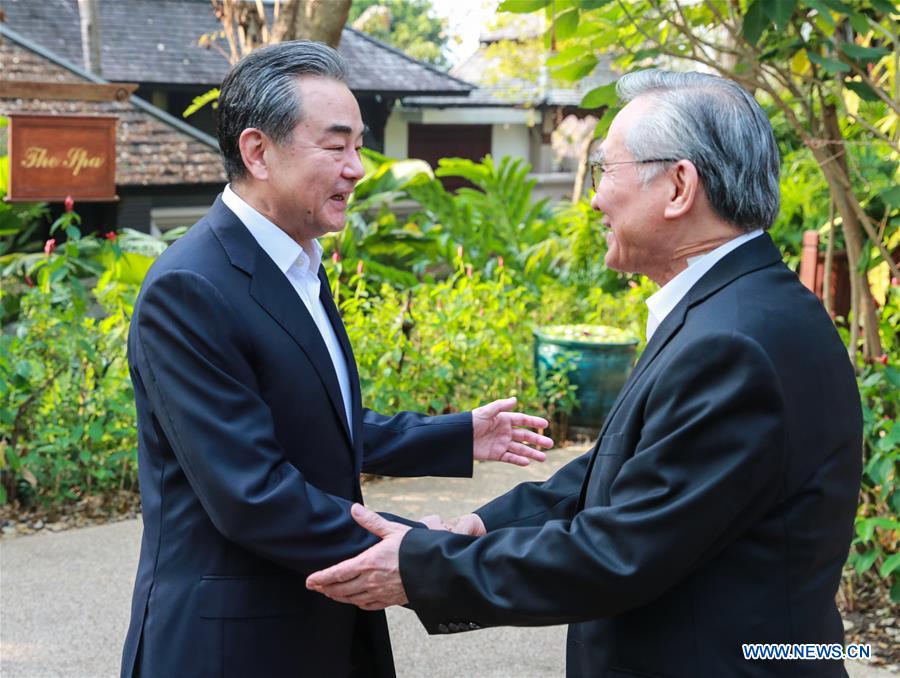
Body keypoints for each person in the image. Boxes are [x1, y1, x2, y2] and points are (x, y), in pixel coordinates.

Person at [306, 70, 863, 677]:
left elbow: (621, 551)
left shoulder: (733, 342)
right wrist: (478, 526)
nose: (593, 199)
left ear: (679, 187)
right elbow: (625, 472)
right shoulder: (743, 308)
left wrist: (422, 567)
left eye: (607, 173)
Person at [119, 41, 552, 678]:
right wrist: (422, 550)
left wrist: (455, 434)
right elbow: (253, 492)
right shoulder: (191, 288)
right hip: (231, 643)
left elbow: (309, 423)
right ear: (257, 152)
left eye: (358, 146)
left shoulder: (297, 263)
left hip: (324, 621)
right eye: (335, 145)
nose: (357, 167)